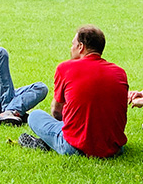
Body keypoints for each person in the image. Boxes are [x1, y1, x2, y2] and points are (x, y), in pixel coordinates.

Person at [19, 26, 129, 157]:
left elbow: (56, 111)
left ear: (81, 47)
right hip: (114, 148)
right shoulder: (120, 72)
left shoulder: (66, 68)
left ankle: (49, 142)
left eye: (73, 45)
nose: (71, 49)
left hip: (75, 146)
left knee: (35, 116)